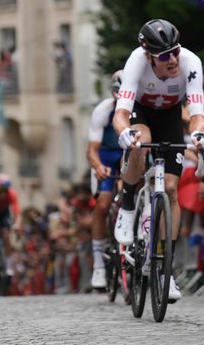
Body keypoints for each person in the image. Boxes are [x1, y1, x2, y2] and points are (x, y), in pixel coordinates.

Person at [112, 19, 204, 302]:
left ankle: (164, 268)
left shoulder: (191, 62)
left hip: (169, 115)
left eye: (175, 51)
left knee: (169, 189)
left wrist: (200, 134)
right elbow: (121, 113)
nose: (173, 59)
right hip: (141, 113)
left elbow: (196, 113)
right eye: (165, 56)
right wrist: (123, 133)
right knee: (140, 143)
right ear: (149, 56)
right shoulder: (136, 63)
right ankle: (129, 203)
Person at [86, 70, 123, 289]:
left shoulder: (141, 107)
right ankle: (99, 263)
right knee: (103, 204)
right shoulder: (102, 110)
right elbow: (91, 150)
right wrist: (98, 167)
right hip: (107, 156)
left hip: (129, 154)